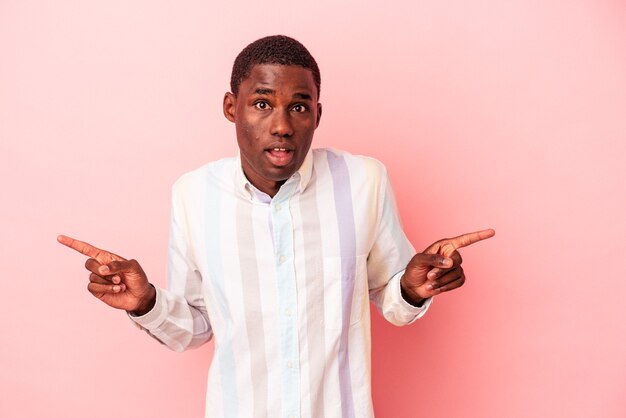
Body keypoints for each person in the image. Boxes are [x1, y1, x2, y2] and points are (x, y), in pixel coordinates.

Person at [58, 35, 494, 418]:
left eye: (298, 107)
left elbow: (394, 303)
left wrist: (415, 288)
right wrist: (146, 302)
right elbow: (195, 327)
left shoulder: (365, 182)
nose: (282, 126)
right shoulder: (193, 195)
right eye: (262, 103)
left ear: (317, 115)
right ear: (232, 107)